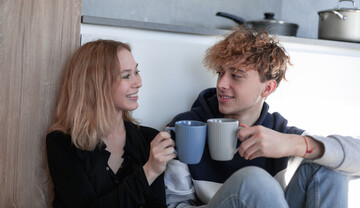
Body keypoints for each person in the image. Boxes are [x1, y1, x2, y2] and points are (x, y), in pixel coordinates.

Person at [164, 26, 360, 208]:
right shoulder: (185, 128)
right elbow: (175, 204)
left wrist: (294, 144)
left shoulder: (278, 132)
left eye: (236, 75)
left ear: (267, 87)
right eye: (220, 73)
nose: (222, 84)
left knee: (330, 166)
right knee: (253, 180)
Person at [46, 39, 176, 208]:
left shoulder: (148, 139)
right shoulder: (62, 143)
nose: (138, 82)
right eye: (126, 75)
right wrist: (150, 171)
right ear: (96, 84)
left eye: (137, 72)